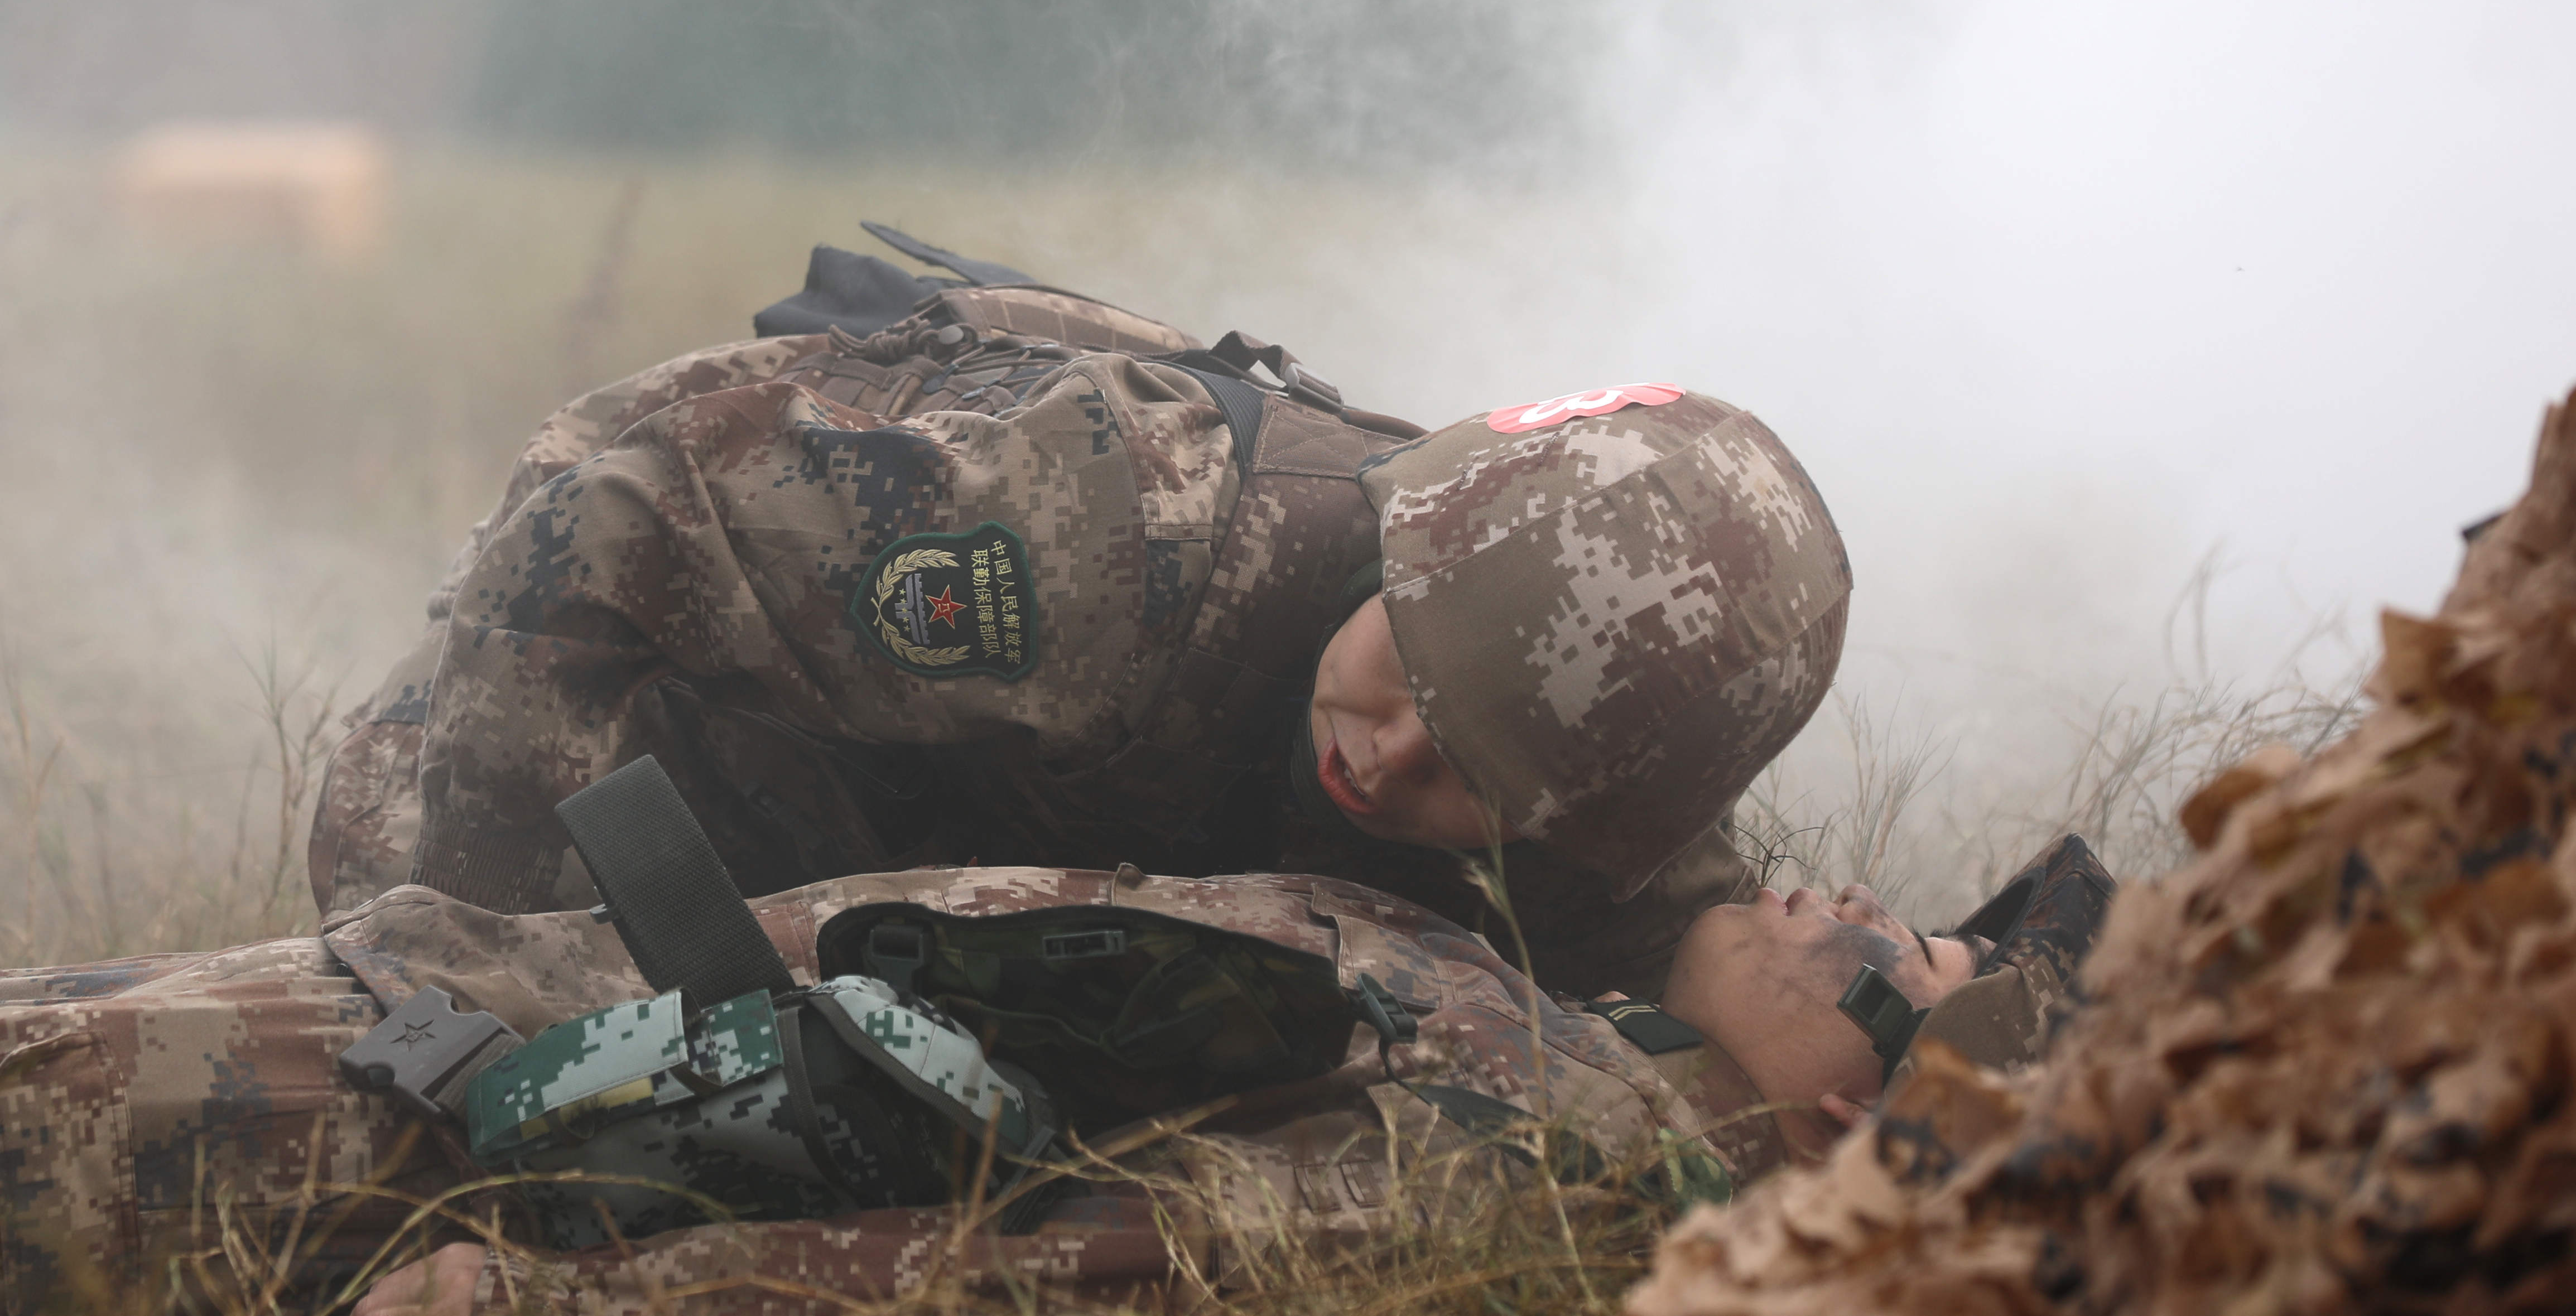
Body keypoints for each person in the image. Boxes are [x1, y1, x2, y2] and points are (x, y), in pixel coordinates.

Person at [314, 228, 1854, 1002]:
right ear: (1405, 551)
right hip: (601, 696)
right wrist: (475, 1030)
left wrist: (1720, 978)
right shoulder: (1112, 547)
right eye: (1408, 677)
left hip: (953, 792)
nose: (1386, 759)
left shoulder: (1561, 718)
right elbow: (592, 532)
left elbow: (1643, 902)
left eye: (1471, 778)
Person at [0, 836, 2111, 1315]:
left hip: (405, 1131)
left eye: (1885, 949)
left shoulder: (1539, 1152)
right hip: (434, 993)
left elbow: (1037, 1273)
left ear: (1862, 1112)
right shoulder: (1554, 1017)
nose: (1833, 891)